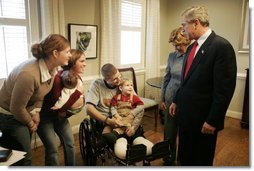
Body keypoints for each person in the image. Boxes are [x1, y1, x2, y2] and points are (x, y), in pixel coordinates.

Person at [170, 5, 237, 166]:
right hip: (186, 115)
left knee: (200, 159)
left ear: (196, 23)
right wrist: (176, 100)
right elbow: (185, 80)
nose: (182, 29)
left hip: (203, 120)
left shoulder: (221, 47)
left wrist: (213, 120)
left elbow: (224, 90)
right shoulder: (191, 47)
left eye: (184, 25)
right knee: (185, 156)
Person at [0, 34, 71, 166]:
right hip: (9, 115)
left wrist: (36, 112)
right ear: (55, 53)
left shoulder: (52, 69)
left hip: (22, 111)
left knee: (17, 154)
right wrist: (31, 123)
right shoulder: (28, 74)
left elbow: (40, 93)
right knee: (25, 158)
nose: (70, 55)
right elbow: (16, 108)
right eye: (67, 52)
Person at [37, 49, 86, 166]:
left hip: (60, 118)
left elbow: (74, 104)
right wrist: (78, 93)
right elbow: (59, 107)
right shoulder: (58, 78)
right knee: (52, 148)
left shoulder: (77, 77)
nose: (85, 64)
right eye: (82, 61)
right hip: (45, 118)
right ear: (73, 62)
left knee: (70, 144)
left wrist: (66, 112)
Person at [86, 63, 144, 150]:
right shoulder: (97, 84)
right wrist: (109, 121)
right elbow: (89, 109)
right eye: (115, 79)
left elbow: (139, 107)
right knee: (115, 138)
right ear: (106, 79)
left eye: (119, 75)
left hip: (124, 116)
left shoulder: (124, 83)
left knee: (135, 135)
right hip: (105, 120)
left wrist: (133, 127)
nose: (119, 80)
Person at [160, 27, 191, 165]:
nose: (177, 47)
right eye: (175, 45)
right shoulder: (172, 56)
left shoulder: (193, 56)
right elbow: (166, 77)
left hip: (186, 100)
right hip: (170, 96)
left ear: (188, 40)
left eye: (180, 44)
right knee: (169, 131)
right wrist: (162, 97)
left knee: (185, 132)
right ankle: (168, 158)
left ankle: (183, 160)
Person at [102, 79, 154, 159]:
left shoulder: (134, 98)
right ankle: (115, 136)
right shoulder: (116, 97)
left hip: (130, 122)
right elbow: (112, 108)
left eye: (131, 85)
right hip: (119, 120)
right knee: (116, 122)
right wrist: (116, 115)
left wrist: (133, 113)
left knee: (150, 148)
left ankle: (116, 135)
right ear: (120, 88)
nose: (130, 87)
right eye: (127, 85)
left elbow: (141, 106)